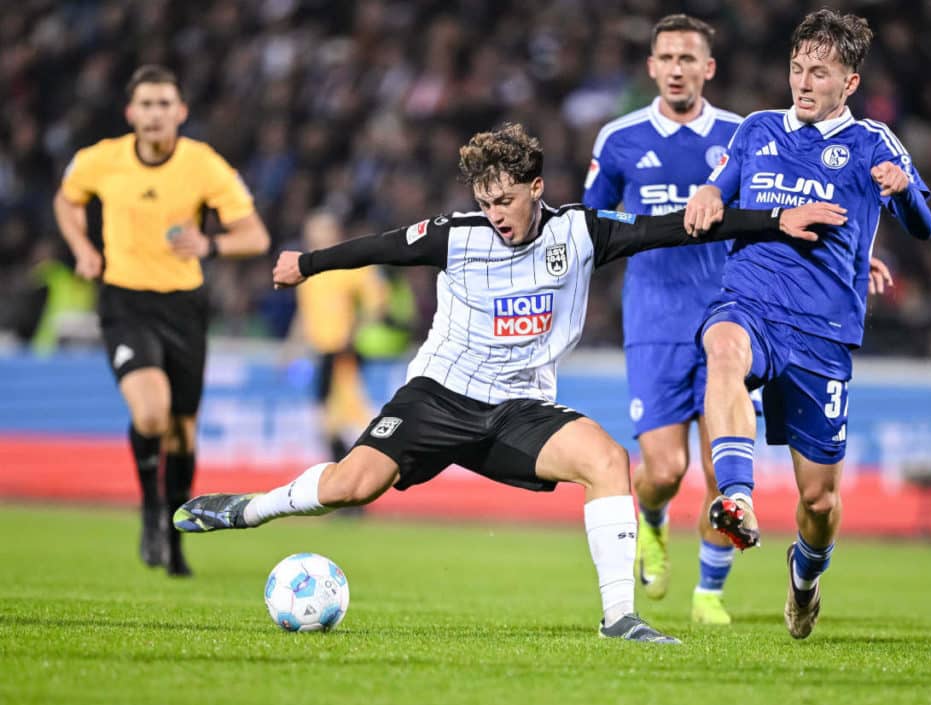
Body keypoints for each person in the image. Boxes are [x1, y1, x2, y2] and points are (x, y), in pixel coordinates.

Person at [173, 122, 844, 642]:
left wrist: (774, 221)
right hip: (438, 397)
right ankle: (247, 508)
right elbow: (379, 246)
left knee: (610, 460)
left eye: (504, 199)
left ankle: (619, 618)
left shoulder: (580, 232)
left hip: (519, 408)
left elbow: (669, 230)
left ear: (535, 188)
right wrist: (308, 263)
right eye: (484, 199)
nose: (495, 211)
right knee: (351, 486)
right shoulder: (457, 235)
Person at [683, 9, 931, 639]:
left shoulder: (874, 142)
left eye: (818, 72)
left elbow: (924, 223)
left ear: (848, 83)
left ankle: (805, 576)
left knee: (819, 502)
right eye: (797, 67)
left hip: (822, 332)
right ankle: (736, 496)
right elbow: (720, 190)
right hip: (752, 301)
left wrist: (902, 190)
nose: (802, 81)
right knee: (723, 348)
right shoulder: (758, 130)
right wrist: (711, 194)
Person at [53, 65, 270, 576]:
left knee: (182, 433)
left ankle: (175, 536)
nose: (154, 114)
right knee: (151, 413)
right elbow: (66, 201)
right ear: (131, 113)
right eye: (145, 105)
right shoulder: (99, 160)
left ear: (181, 112)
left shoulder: (203, 165)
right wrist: (83, 247)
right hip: (125, 302)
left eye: (163, 104)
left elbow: (256, 236)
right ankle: (151, 507)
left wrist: (211, 243)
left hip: (184, 306)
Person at [583, 13, 745, 624]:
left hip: (728, 321)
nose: (677, 69)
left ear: (708, 68)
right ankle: (651, 517)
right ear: (651, 67)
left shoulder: (740, 136)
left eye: (689, 58)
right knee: (665, 469)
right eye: (667, 58)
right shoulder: (618, 139)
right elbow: (589, 226)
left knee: (720, 469)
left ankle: (709, 592)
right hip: (652, 320)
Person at [292, 208, 388, 462]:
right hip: (321, 351)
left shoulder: (348, 264)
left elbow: (377, 301)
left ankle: (363, 468)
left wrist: (355, 330)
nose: (310, 236)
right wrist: (291, 346)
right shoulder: (309, 268)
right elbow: (305, 313)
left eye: (317, 230)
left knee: (347, 413)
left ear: (333, 233)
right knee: (326, 416)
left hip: (341, 350)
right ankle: (345, 471)